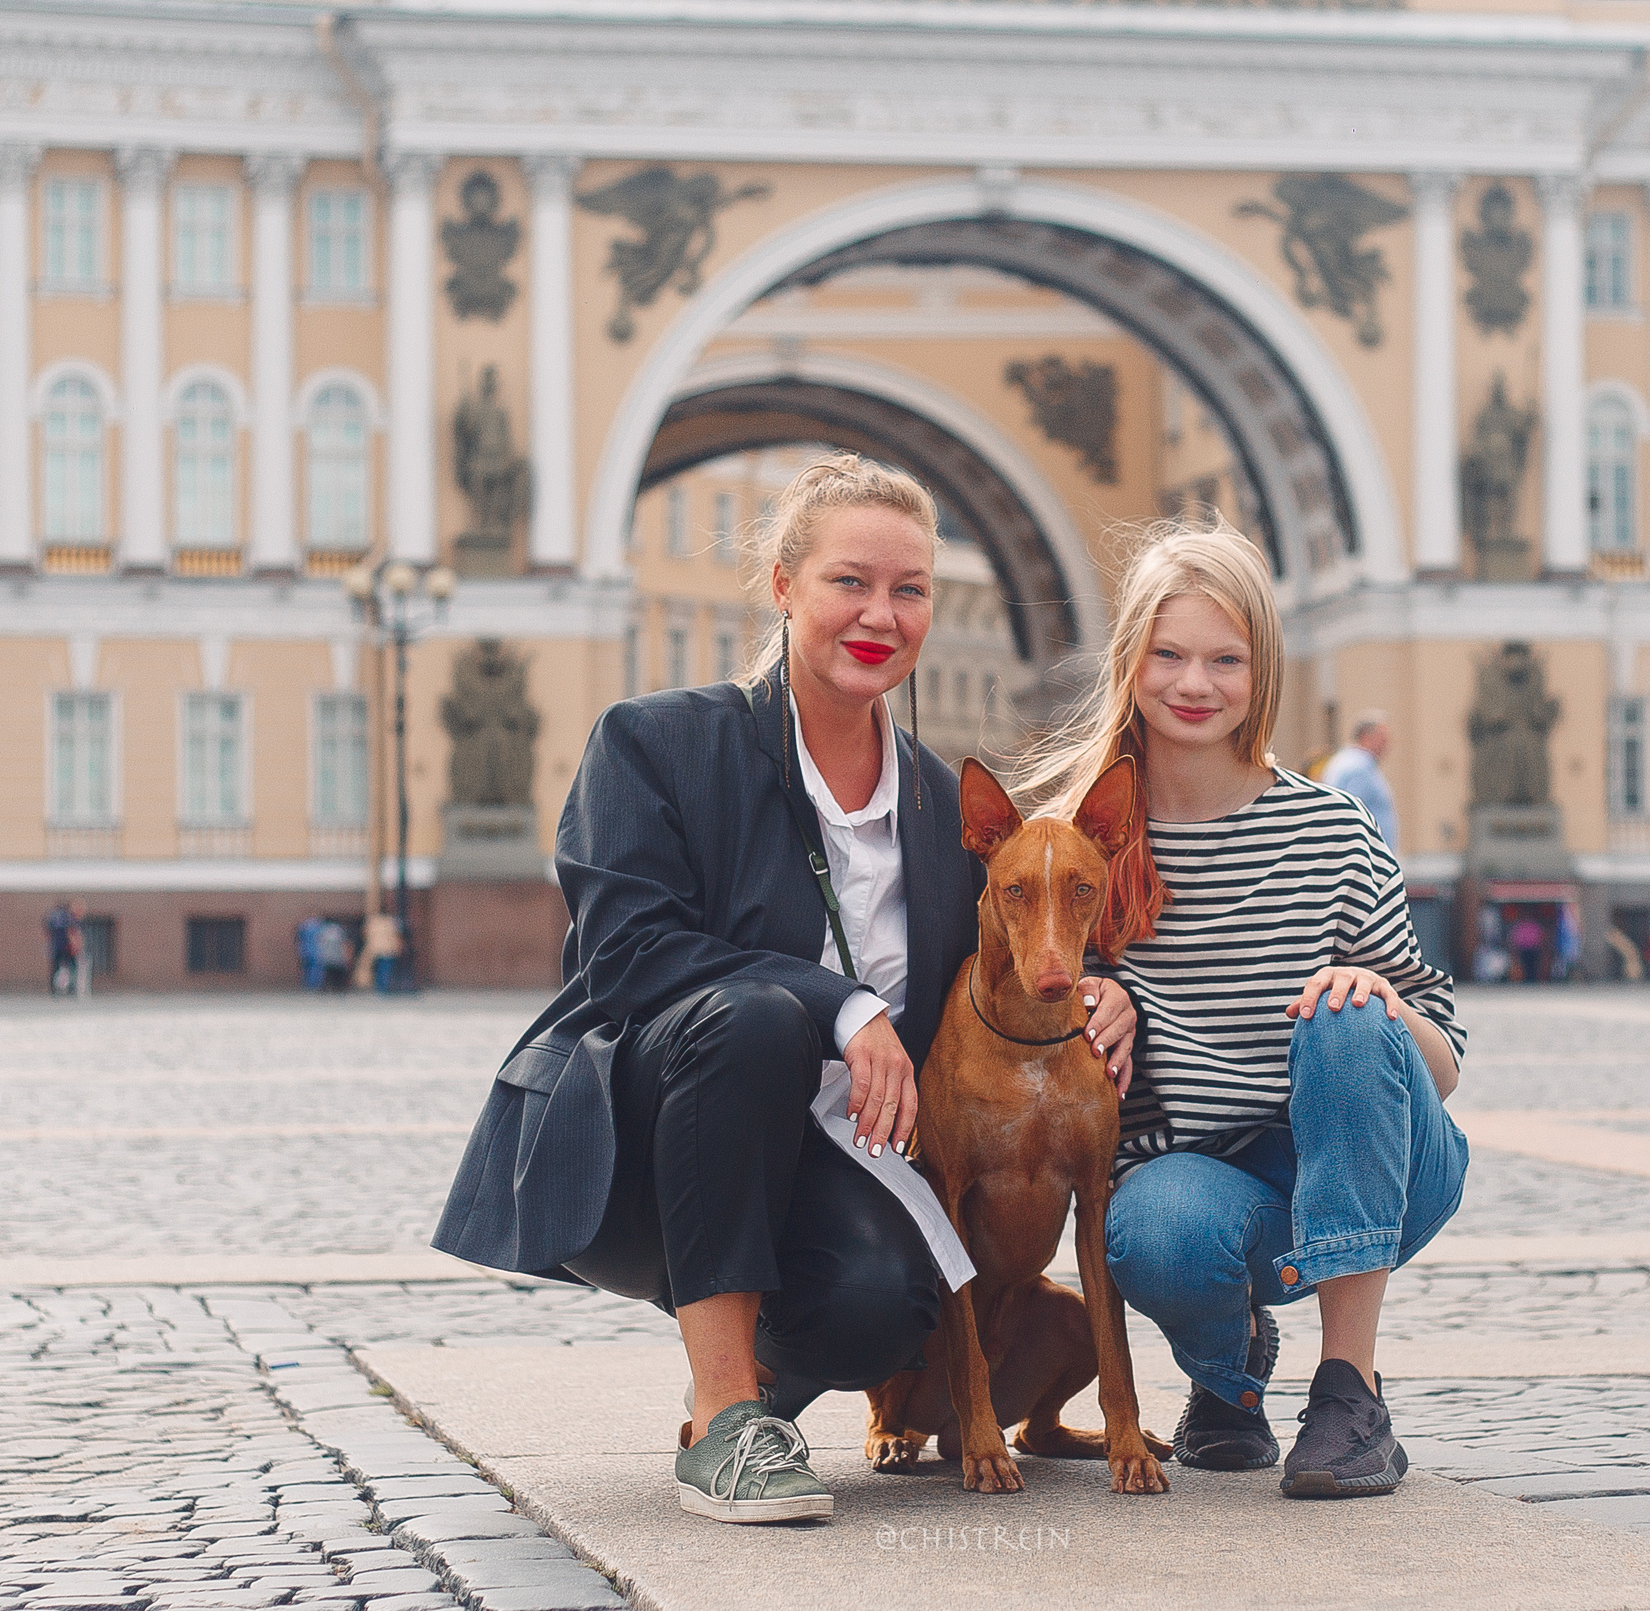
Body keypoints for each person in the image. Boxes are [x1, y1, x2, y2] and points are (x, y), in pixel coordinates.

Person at [434, 454, 1139, 1526]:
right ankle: (725, 1423)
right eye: (848, 582)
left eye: (909, 591)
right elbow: (623, 954)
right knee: (759, 1018)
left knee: (890, 1309)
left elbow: (1012, 949)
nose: (879, 614)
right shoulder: (656, 744)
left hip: (841, 1154)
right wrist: (840, 1004)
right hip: (649, 1145)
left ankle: (765, 1379)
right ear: (782, 586)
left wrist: (1103, 994)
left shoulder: (947, 809)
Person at [1020, 523, 1466, 1501]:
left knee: (1348, 1016)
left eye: (1225, 659)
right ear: (1128, 660)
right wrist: (1098, 993)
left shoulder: (1328, 828)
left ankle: (1350, 1394)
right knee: (1159, 1232)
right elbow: (1016, 1016)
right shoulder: (1078, 840)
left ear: (1260, 671)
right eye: (1168, 654)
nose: (1194, 683)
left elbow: (1442, 1061)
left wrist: (1384, 1004)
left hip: (1381, 1174)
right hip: (1200, 1189)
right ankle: (1228, 1381)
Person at [1320, 710, 1400, 848]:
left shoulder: (1349, 761)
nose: (1388, 742)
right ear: (1366, 737)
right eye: (1382, 737)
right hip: (1365, 858)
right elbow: (1350, 815)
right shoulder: (1358, 768)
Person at [43, 901, 81, 996]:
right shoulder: (69, 917)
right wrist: (74, 945)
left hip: (56, 947)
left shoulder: (52, 917)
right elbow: (71, 932)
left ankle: (53, 990)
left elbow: (47, 931)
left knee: (55, 968)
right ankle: (72, 988)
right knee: (73, 967)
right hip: (67, 947)